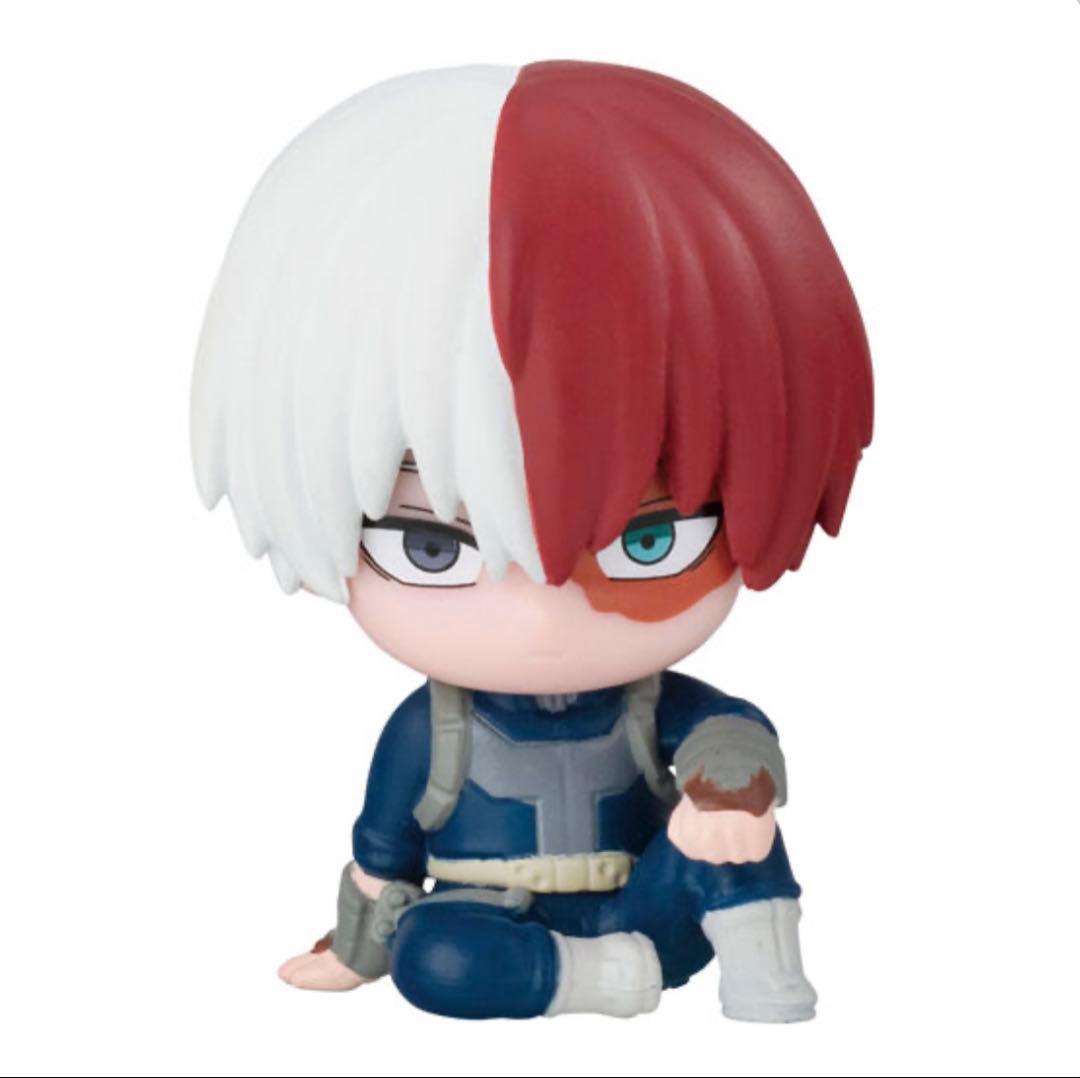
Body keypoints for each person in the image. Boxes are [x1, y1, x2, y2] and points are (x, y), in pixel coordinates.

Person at [191, 60, 873, 1020]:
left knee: (735, 827)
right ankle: (597, 984)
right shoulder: (432, 733)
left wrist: (730, 789)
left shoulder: (648, 706)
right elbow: (385, 850)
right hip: (492, 923)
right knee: (438, 960)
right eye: (434, 549)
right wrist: (358, 951)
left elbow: (726, 733)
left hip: (652, 898)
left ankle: (767, 985)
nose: (544, 612)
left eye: (647, 542)